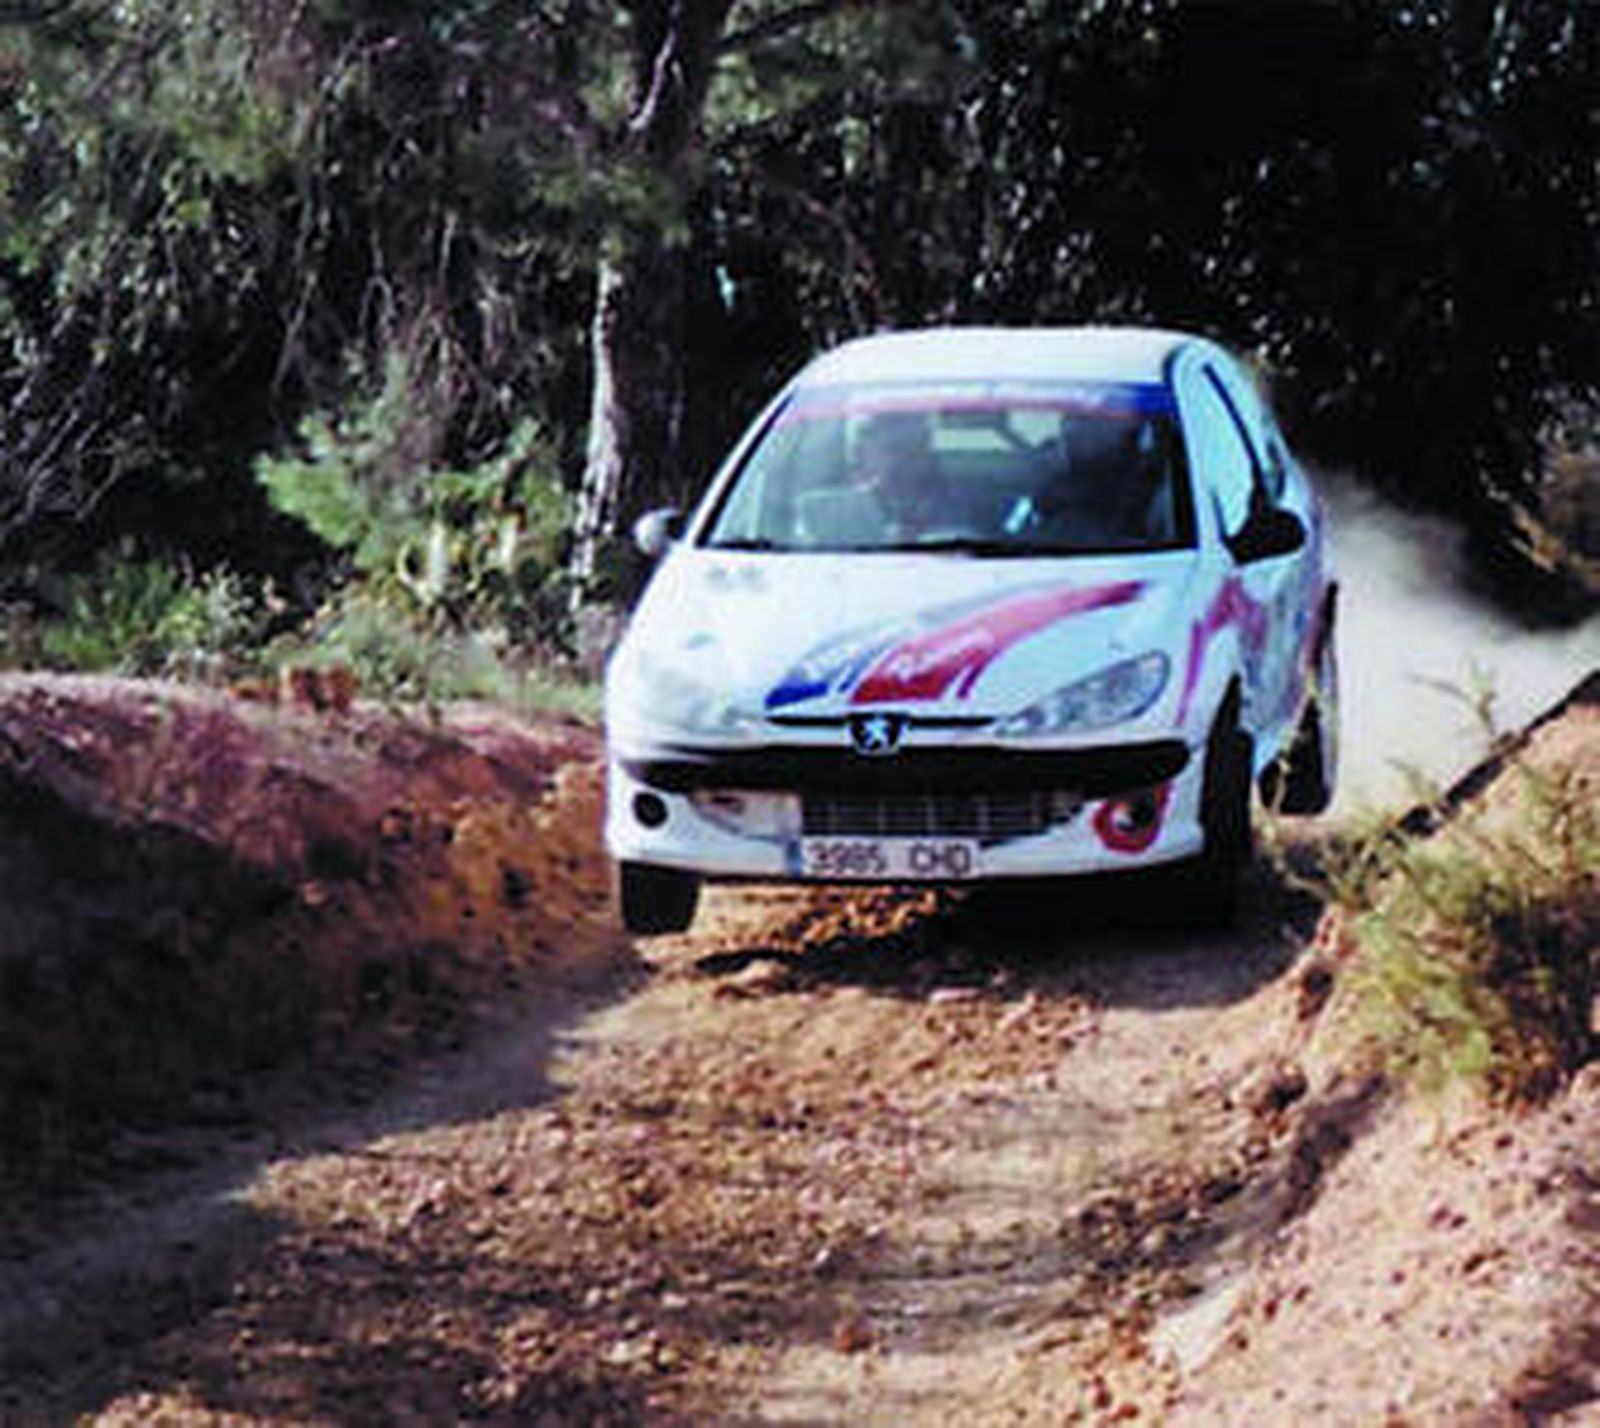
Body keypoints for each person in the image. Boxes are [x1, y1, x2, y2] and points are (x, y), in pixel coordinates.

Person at [850, 410, 946, 541]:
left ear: (926, 453)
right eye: (890, 449)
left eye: (911, 450)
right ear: (864, 454)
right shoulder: (849, 509)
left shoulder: (956, 504)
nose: (899, 460)